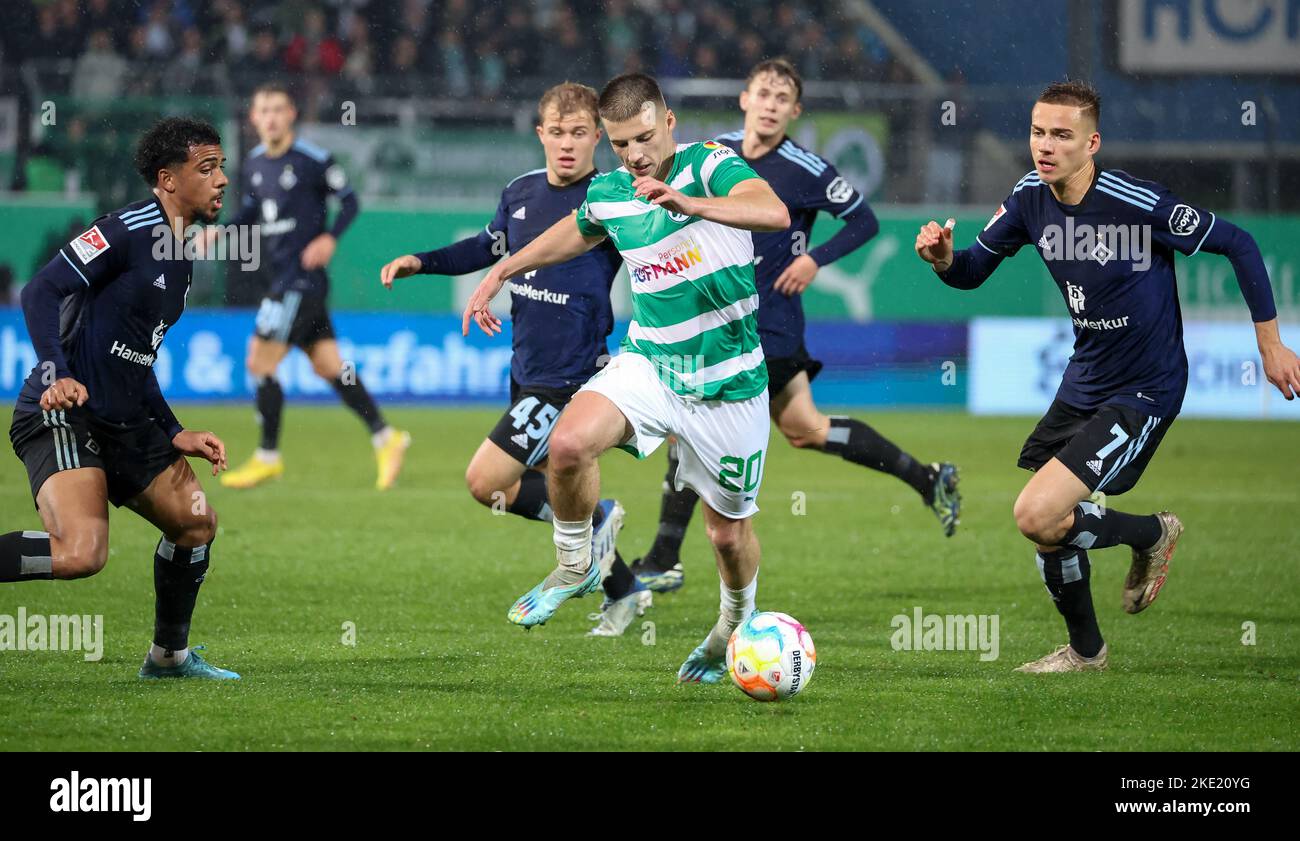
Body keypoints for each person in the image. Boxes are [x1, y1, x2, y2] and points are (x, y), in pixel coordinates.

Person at [915, 81, 1300, 672]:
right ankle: (1086, 652)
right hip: (1085, 379)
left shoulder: (1136, 201)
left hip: (1147, 386)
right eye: (1038, 132)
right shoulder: (1027, 199)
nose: (1045, 146)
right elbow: (968, 272)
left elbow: (1240, 244)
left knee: (1036, 514)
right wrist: (942, 258)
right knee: (1050, 529)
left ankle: (1149, 533)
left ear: (1091, 142)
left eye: (1061, 135)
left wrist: (1271, 345)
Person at [462, 73, 791, 682]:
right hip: (651, 363)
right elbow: (577, 233)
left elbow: (773, 211)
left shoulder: (709, 165)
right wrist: (503, 268)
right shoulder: (614, 191)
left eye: (644, 137)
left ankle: (734, 623)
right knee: (566, 444)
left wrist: (691, 204)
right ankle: (575, 562)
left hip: (728, 382)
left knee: (725, 535)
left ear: (669, 121)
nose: (636, 155)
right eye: (621, 145)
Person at [632, 58, 960, 595]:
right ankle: (927, 478)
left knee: (695, 422)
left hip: (767, 322)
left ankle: (665, 555)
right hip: (719, 314)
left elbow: (865, 220)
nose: (770, 105)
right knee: (804, 428)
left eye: (781, 99)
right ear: (744, 99)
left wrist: (815, 259)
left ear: (794, 111)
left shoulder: (806, 168)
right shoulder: (715, 152)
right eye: (762, 94)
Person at [378, 82, 649, 636]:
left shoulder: (614, 196)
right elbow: (487, 248)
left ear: (598, 136)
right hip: (525, 370)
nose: (567, 144)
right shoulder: (521, 191)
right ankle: (623, 590)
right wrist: (420, 261)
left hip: (571, 378)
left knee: (487, 482)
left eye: (579, 133)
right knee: (555, 488)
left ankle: (598, 527)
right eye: (556, 132)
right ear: (539, 134)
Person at [3, 117, 239, 679]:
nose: (222, 179)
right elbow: (41, 289)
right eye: (207, 168)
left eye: (222, 166)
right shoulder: (126, 228)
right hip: (64, 410)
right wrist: (55, 373)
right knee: (82, 553)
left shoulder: (179, 258)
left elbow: (138, 359)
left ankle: (169, 658)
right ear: (167, 179)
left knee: (195, 523)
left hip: (125, 418)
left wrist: (173, 430)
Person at [220, 82, 410, 491]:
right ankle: (385, 436)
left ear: (292, 114)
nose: (270, 117)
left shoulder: (313, 160)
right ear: (254, 119)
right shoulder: (252, 164)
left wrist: (330, 237)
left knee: (259, 360)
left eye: (277, 109)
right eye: (262, 110)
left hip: (299, 282)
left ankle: (268, 456)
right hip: (282, 277)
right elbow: (253, 209)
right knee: (328, 366)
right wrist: (220, 233)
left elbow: (352, 201)